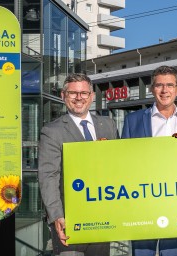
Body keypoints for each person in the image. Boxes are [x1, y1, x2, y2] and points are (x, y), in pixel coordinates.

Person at [38, 73, 119, 256]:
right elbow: (48, 176)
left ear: (92, 96)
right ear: (63, 96)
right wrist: (57, 215)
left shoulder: (108, 125)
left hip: (102, 217)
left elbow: (117, 167)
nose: (79, 98)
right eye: (73, 93)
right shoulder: (52, 131)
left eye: (84, 93)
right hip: (69, 220)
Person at [122, 65, 177, 256]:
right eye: (159, 85)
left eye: (170, 85)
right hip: (142, 202)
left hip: (176, 202)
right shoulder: (133, 121)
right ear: (151, 89)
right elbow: (124, 162)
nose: (165, 91)